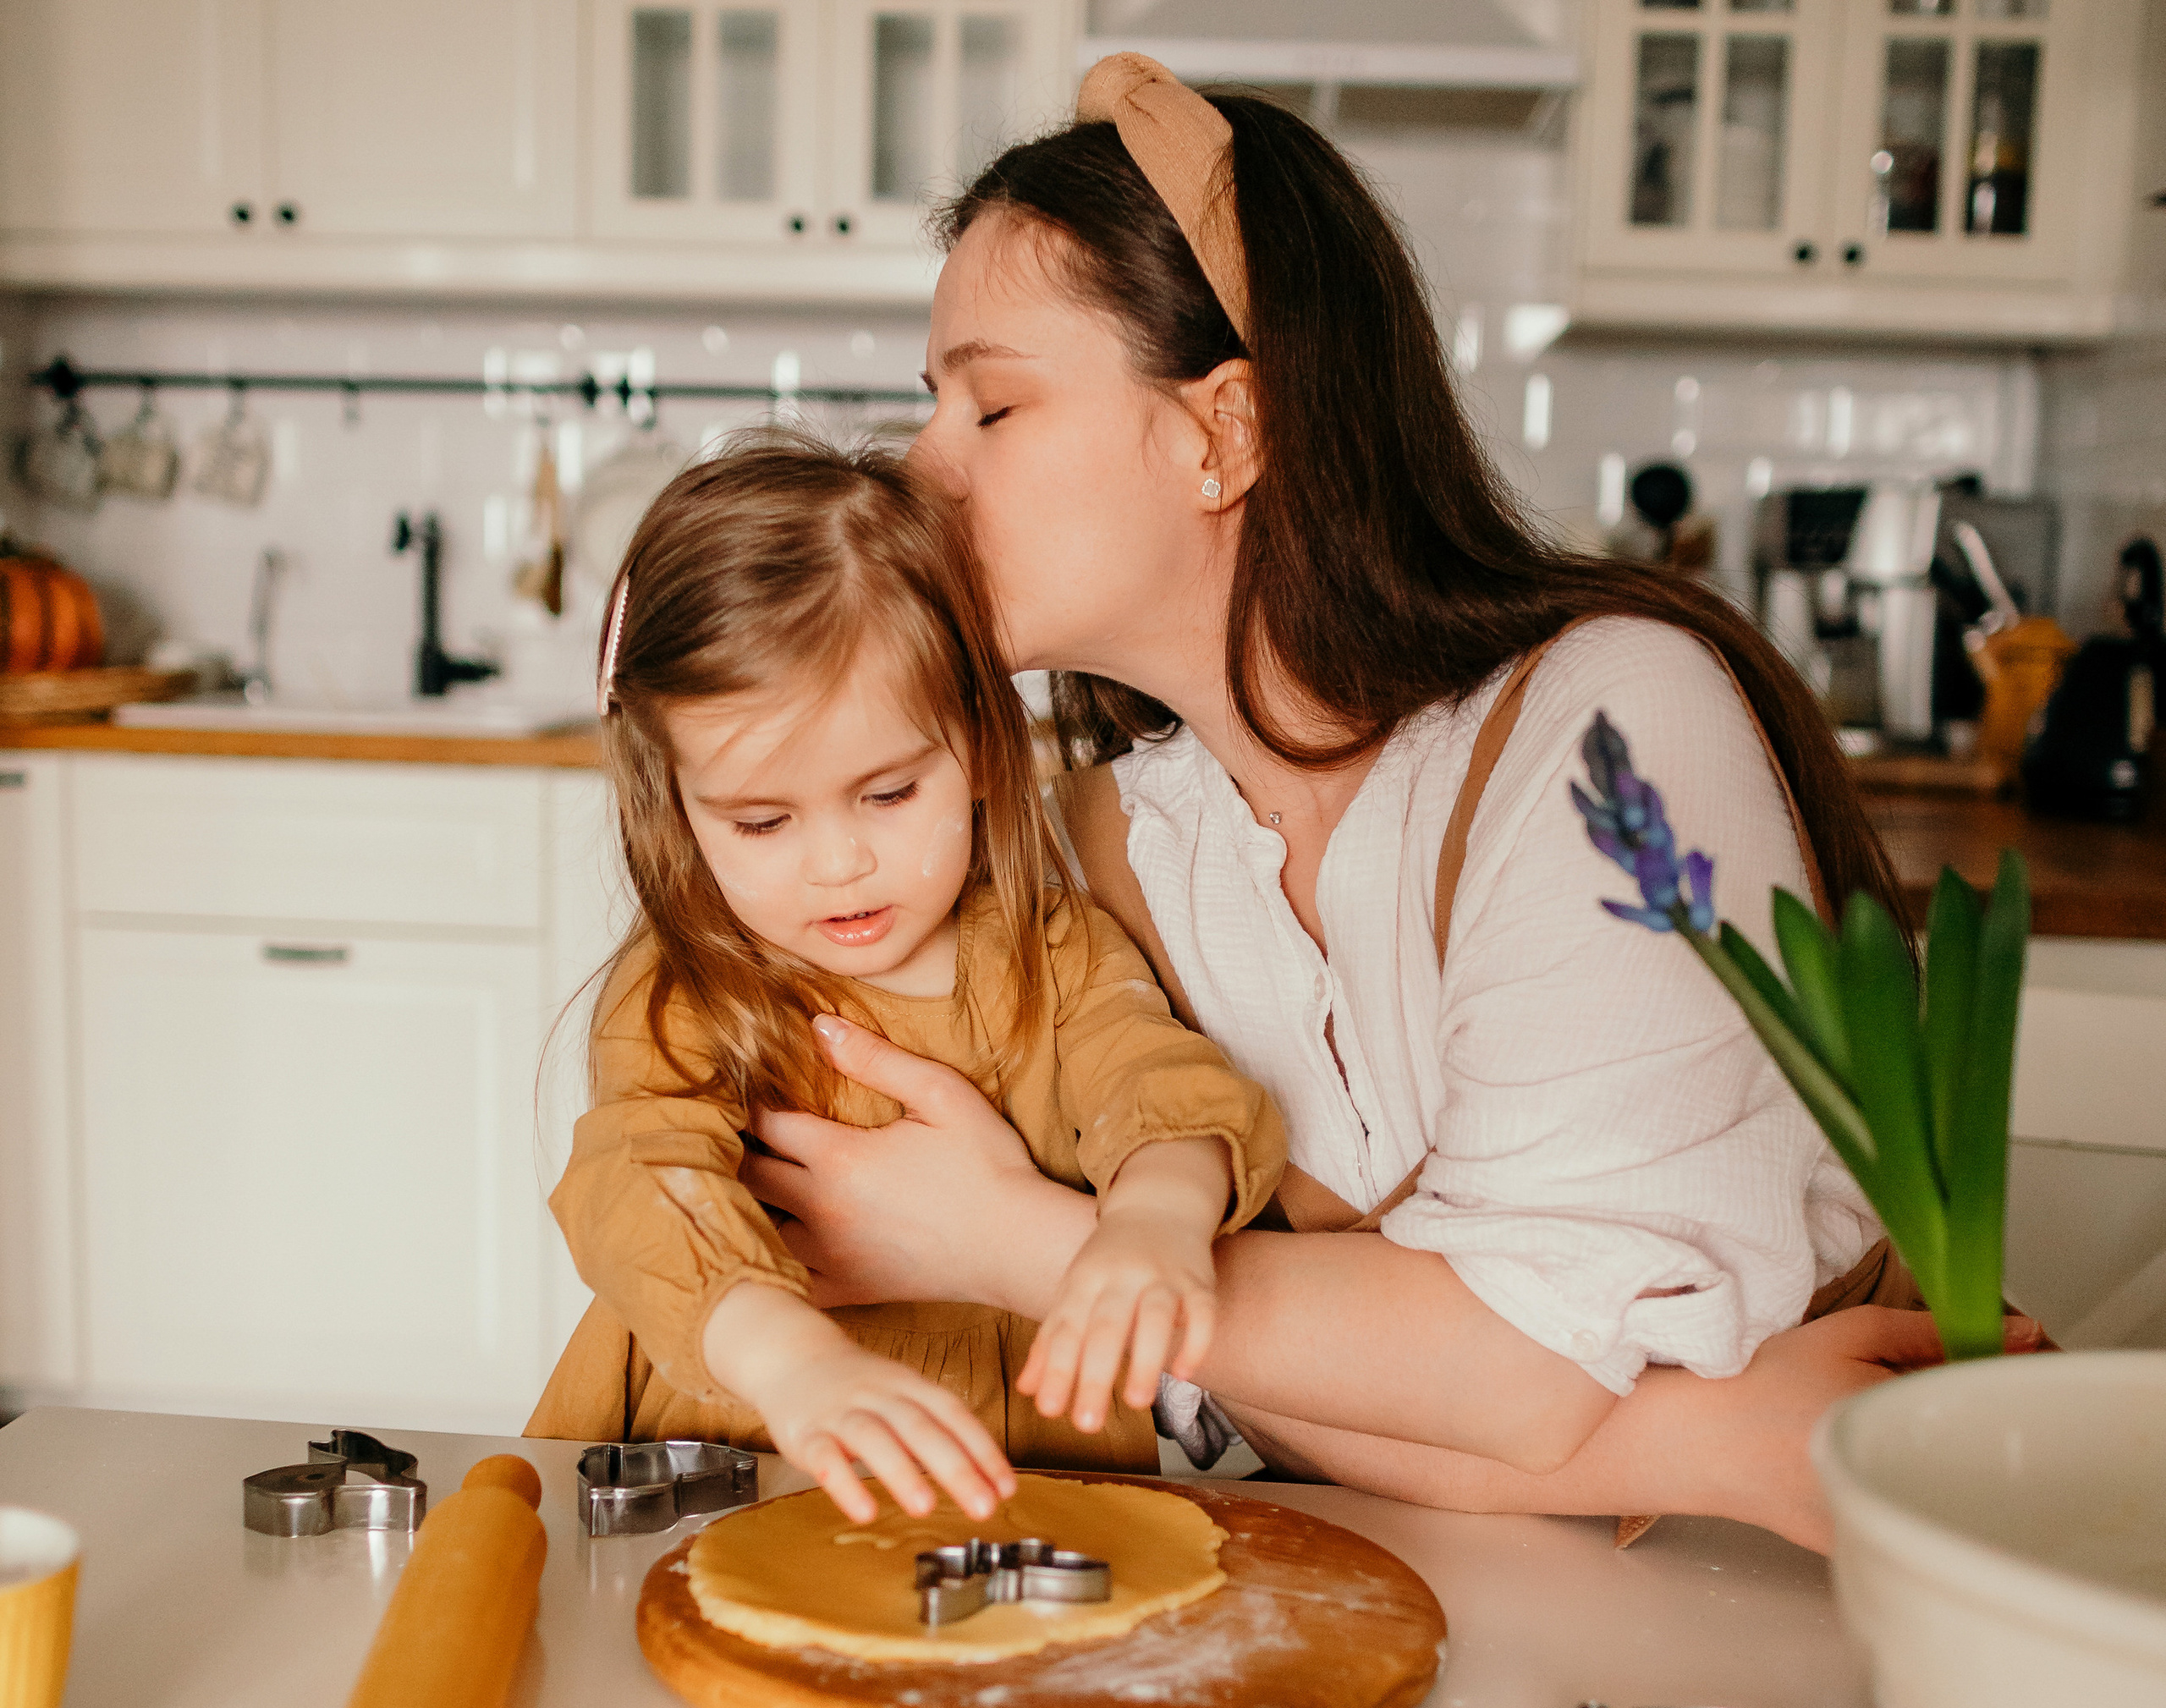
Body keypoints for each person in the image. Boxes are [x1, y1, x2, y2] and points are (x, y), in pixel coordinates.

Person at [712, 58, 2040, 1554]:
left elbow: (1518, 1369)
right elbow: (1231, 1389)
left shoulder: (1608, 731)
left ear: (1224, 432)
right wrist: (1690, 1441)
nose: (917, 468)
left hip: (1774, 1618)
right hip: (1410, 1587)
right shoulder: (1110, 846)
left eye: (990, 404)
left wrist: (1001, 1237)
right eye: (929, 404)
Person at [528, 437, 1288, 1524]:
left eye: (887, 794)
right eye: (761, 820)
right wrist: (789, 1358)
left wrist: (1157, 1219)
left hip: (1019, 1467)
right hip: (729, 1451)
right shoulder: (684, 989)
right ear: (679, 807)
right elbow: (639, 1184)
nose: (839, 863)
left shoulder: (1051, 951)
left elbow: (1160, 1087)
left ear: (978, 745)